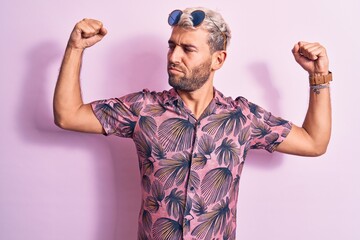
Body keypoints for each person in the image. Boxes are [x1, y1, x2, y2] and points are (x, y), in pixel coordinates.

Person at [53, 7, 331, 240]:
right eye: (172, 46)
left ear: (217, 60)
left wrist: (318, 76)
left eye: (187, 49)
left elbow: (314, 143)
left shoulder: (242, 118)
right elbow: (68, 115)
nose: (173, 57)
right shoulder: (143, 110)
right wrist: (75, 47)